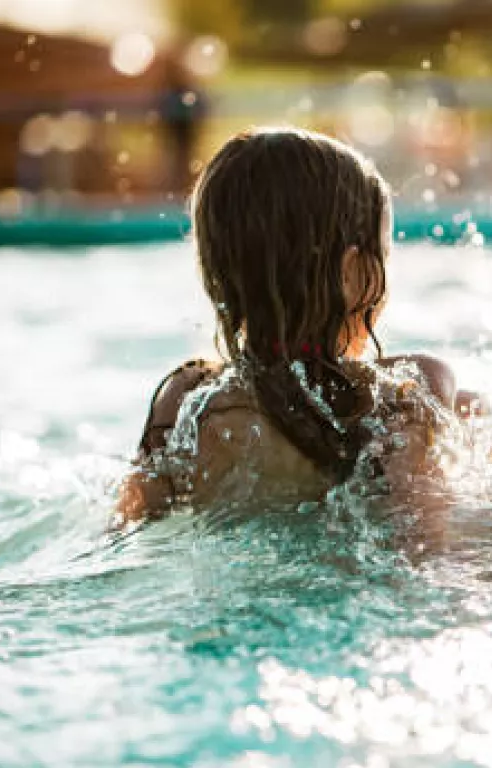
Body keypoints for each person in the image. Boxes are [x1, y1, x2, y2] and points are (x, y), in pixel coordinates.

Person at [116, 127, 464, 525]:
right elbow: (422, 547)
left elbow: (125, 531)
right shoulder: (405, 390)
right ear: (351, 275)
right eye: (383, 255)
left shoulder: (185, 402)